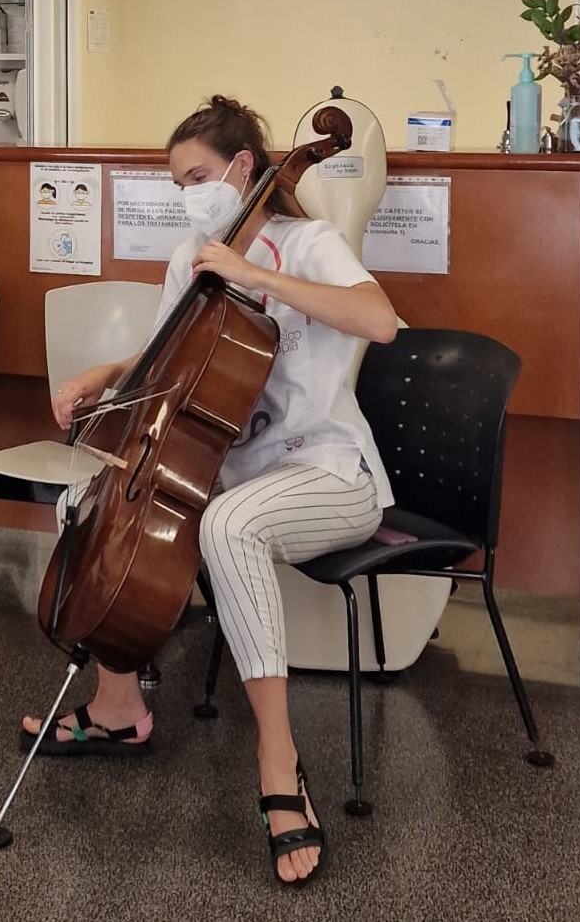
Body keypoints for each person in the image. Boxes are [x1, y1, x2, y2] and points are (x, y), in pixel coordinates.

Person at [21, 95, 398, 887]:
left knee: (228, 526)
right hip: (234, 469)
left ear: (243, 168)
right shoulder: (191, 255)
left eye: (197, 177)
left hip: (330, 470)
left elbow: (380, 321)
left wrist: (255, 273)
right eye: (178, 183)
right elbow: (164, 357)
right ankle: (118, 704)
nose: (187, 194)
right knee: (84, 505)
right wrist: (104, 376)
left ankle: (278, 759)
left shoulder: (309, 243)